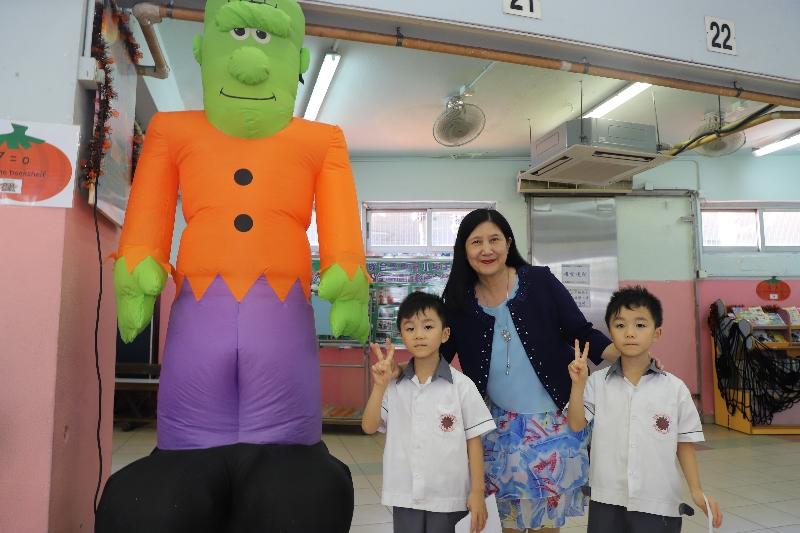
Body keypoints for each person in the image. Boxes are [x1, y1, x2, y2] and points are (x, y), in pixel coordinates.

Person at [96, 1, 367, 530]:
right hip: (201, 306)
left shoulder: (321, 141)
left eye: (266, 39)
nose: (250, 61)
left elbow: (340, 218)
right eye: (237, 35)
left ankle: (286, 479)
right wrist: (137, 268)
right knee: (182, 459)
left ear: (296, 62)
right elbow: (150, 208)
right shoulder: (173, 132)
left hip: (281, 311)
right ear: (204, 51)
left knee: (291, 472)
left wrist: (348, 277)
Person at [440, 208, 618, 533]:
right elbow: (438, 356)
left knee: (546, 525)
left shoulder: (539, 281)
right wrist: (401, 373)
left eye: (494, 240)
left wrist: (628, 356)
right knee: (505, 522)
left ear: (508, 243)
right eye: (476, 242)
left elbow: (580, 331)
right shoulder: (457, 302)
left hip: (554, 427)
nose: (486, 249)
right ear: (464, 250)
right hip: (497, 431)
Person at [566, 286, 723, 532]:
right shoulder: (596, 382)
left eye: (640, 325)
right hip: (607, 498)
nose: (630, 333)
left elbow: (684, 443)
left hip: (658, 501)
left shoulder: (674, 388)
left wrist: (696, 490)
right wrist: (578, 385)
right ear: (610, 332)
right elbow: (576, 424)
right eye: (620, 325)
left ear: (656, 333)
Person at [362, 291, 496, 533]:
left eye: (428, 326)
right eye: (410, 328)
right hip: (405, 493)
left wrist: (477, 492)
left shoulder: (462, 386)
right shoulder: (393, 385)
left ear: (445, 334)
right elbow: (369, 426)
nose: (419, 335)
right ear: (402, 335)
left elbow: (474, 442)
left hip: (448, 495)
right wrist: (379, 386)